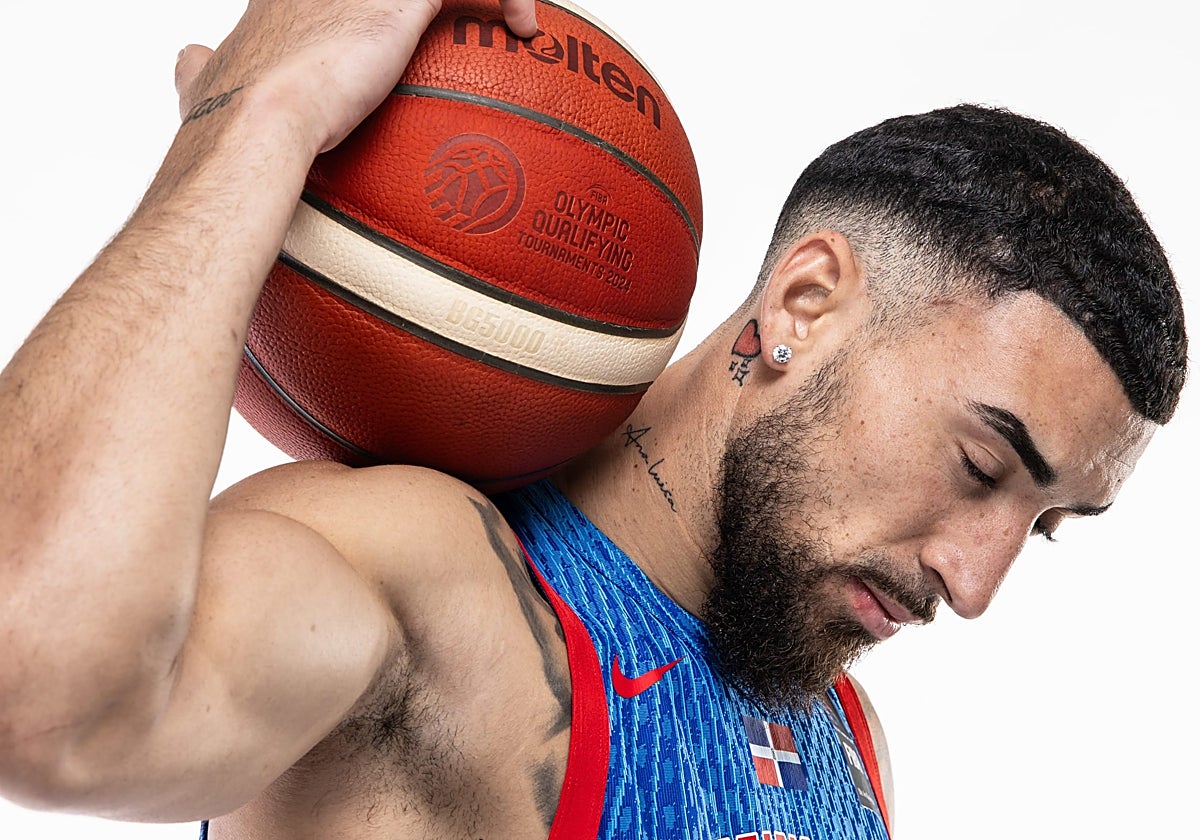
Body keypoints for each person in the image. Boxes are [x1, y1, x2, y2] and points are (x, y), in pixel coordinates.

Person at [0, 0, 1187, 837]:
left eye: (1042, 527)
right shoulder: (438, 593)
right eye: (983, 466)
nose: (973, 587)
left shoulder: (844, 743)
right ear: (806, 305)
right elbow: (40, 698)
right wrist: (260, 117)